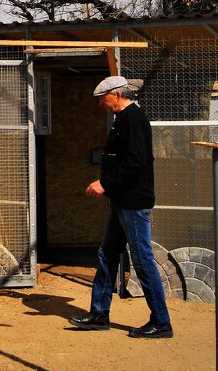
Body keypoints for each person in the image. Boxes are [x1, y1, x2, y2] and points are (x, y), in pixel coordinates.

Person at [68, 75, 173, 339]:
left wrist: (105, 183)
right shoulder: (123, 119)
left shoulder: (133, 119)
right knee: (107, 255)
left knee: (142, 260)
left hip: (133, 202)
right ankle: (99, 314)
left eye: (103, 98)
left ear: (116, 94)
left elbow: (135, 162)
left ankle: (161, 322)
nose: (102, 104)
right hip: (122, 201)